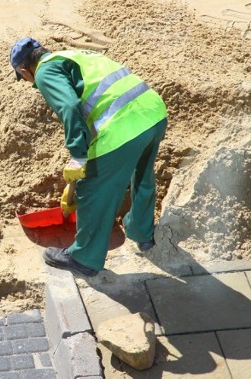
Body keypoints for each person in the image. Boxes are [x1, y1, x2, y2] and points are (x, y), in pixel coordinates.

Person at [10, 37, 168, 277]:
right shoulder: (75, 56)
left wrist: (79, 155)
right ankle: (142, 232)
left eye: (26, 79)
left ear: (24, 70)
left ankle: (84, 258)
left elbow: (69, 106)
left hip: (123, 126)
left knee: (92, 188)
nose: (32, 83)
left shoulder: (44, 72)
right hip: (153, 112)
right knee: (142, 174)